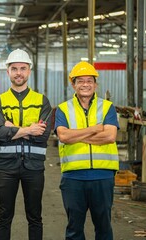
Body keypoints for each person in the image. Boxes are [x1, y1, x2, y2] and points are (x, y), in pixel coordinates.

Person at [0, 49, 52, 240]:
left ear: (29, 71)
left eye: (23, 68)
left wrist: (13, 129)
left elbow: (42, 136)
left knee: (35, 217)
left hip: (34, 167)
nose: (19, 72)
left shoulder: (42, 101)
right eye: (14, 68)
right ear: (8, 71)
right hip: (6, 167)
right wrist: (28, 130)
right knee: (3, 216)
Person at [54, 61, 119, 240]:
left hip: (103, 176)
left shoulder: (107, 107)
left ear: (95, 84)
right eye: (80, 81)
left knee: (104, 227)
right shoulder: (63, 109)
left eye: (89, 80)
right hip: (73, 178)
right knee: (74, 229)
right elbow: (64, 137)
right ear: (73, 84)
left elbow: (110, 136)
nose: (85, 85)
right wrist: (94, 129)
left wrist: (76, 135)